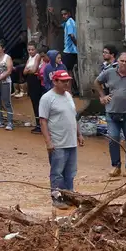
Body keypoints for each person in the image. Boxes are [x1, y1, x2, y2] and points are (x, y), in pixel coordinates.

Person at [40, 69, 83, 209]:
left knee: (70, 172)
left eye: (67, 81)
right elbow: (43, 121)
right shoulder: (47, 98)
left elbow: (73, 117)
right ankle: (57, 197)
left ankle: (69, 196)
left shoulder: (68, 96)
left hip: (71, 141)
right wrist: (48, 142)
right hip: (57, 142)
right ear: (55, 81)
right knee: (57, 172)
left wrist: (79, 134)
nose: (66, 83)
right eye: (63, 81)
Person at [60, 9, 78, 77]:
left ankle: (69, 87)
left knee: (66, 71)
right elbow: (58, 26)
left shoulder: (69, 23)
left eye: (65, 14)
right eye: (62, 15)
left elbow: (71, 35)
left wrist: (76, 45)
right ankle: (71, 87)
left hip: (69, 51)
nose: (63, 16)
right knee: (69, 71)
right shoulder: (71, 22)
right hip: (72, 51)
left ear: (69, 13)